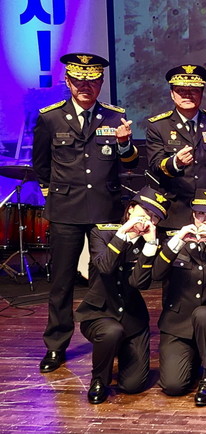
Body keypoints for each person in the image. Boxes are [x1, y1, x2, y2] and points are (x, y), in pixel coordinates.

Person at [32, 52, 138, 373]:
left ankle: (106, 337)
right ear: (68, 81)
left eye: (92, 81)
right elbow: (41, 165)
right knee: (61, 281)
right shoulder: (51, 118)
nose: (85, 87)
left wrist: (124, 144)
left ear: (101, 83)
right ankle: (56, 344)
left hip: (104, 209)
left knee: (105, 277)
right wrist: (54, 193)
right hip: (65, 210)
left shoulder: (115, 117)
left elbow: (130, 163)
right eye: (79, 81)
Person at [75, 186, 170, 404]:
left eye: (155, 217)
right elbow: (105, 267)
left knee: (133, 385)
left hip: (132, 318)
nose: (147, 220)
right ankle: (99, 379)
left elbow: (139, 283)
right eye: (144, 212)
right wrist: (123, 234)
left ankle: (118, 349)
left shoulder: (153, 243)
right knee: (111, 332)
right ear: (131, 209)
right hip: (99, 313)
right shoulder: (102, 233)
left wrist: (150, 245)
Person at [153, 189, 206, 406]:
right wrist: (177, 241)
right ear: (193, 214)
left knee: (202, 314)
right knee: (173, 386)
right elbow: (157, 274)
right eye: (201, 214)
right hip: (177, 323)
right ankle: (194, 354)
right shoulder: (173, 241)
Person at [145, 64, 206, 233]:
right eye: (181, 90)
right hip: (174, 212)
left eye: (193, 90)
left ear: (202, 93)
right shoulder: (158, 126)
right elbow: (155, 165)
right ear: (172, 94)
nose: (187, 95)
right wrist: (176, 163)